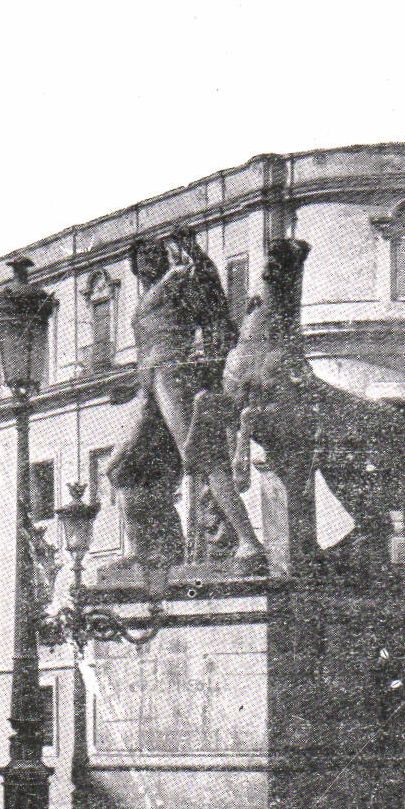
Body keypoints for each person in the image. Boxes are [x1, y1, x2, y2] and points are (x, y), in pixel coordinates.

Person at [108, 233, 266, 574]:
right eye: (141, 256)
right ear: (133, 265)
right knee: (120, 469)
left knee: (202, 457)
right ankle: (144, 551)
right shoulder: (150, 293)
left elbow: (209, 296)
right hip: (150, 384)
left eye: (154, 254)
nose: (148, 261)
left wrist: (193, 251)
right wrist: (131, 386)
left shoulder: (179, 278)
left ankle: (249, 541)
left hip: (174, 374)